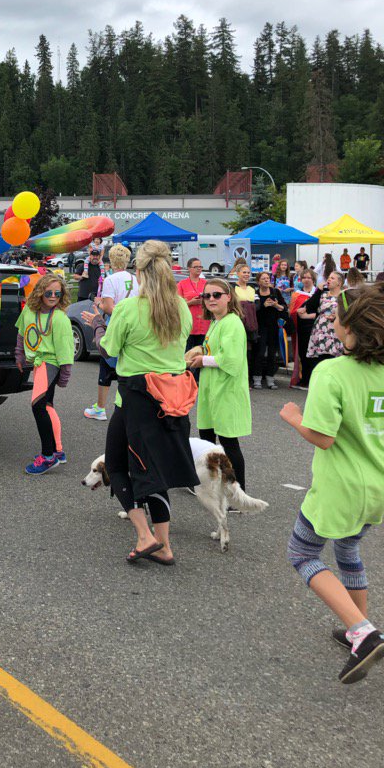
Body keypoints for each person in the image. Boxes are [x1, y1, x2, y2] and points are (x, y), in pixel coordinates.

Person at [281, 284, 384, 684]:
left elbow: (323, 436)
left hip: (341, 486)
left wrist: (292, 417)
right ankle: (360, 624)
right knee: (348, 546)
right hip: (377, 487)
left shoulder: (332, 371)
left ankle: (363, 634)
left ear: (349, 325)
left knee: (302, 553)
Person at [85, 240, 198, 566]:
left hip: (135, 399)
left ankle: (145, 534)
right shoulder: (181, 308)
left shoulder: (129, 309)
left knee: (120, 466)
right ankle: (163, 546)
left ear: (139, 272)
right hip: (172, 400)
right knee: (155, 472)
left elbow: (107, 350)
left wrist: (97, 325)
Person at [186, 278, 251, 489]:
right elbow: (215, 351)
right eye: (207, 295)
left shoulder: (232, 322)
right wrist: (200, 352)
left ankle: (237, 490)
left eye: (216, 295)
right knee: (207, 439)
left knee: (229, 444)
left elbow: (232, 360)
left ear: (229, 297)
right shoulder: (216, 322)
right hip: (212, 389)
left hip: (226, 390)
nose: (211, 299)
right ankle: (212, 484)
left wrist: (202, 359)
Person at [15, 273, 74, 475]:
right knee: (47, 405)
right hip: (38, 364)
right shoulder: (29, 311)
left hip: (50, 364)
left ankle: (48, 456)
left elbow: (66, 352)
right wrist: (19, 356)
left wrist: (64, 375)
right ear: (40, 292)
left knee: (37, 405)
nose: (53, 296)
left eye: (58, 293)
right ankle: (58, 451)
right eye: (49, 292)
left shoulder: (60, 319)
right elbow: (21, 333)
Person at [84, 244, 139, 421]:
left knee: (106, 362)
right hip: (134, 325)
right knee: (128, 363)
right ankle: (128, 403)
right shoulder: (136, 278)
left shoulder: (110, 279)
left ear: (111, 260)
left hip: (115, 324)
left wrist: (99, 305)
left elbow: (108, 307)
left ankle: (100, 408)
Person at [300, 270, 345, 383]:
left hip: (335, 331)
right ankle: (318, 383)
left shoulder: (343, 296)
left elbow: (349, 313)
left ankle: (332, 383)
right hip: (320, 331)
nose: (329, 280)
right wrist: (318, 291)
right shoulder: (323, 294)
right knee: (318, 360)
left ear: (339, 283)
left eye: (332, 278)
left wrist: (338, 316)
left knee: (333, 359)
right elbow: (309, 307)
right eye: (328, 277)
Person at [177, 258, 209, 380]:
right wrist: (191, 302)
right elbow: (178, 304)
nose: (199, 269)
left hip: (204, 323)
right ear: (189, 268)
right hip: (189, 325)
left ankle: (199, 378)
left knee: (202, 351)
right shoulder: (182, 284)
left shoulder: (206, 283)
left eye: (200, 267)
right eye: (196, 267)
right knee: (188, 352)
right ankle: (186, 378)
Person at [253, 271, 286, 389]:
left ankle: (270, 379)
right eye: (263, 279)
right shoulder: (255, 293)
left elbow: (284, 308)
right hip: (261, 327)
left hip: (274, 327)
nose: (266, 280)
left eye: (268, 278)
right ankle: (257, 378)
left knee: (272, 354)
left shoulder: (275, 292)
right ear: (258, 281)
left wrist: (276, 305)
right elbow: (254, 311)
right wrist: (264, 306)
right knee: (260, 353)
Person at [290, 268, 317, 389]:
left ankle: (314, 379)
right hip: (301, 328)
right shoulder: (297, 294)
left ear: (313, 279)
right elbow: (292, 311)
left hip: (316, 327)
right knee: (303, 353)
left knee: (315, 355)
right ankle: (304, 379)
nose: (306, 280)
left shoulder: (318, 293)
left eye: (309, 277)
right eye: (304, 277)